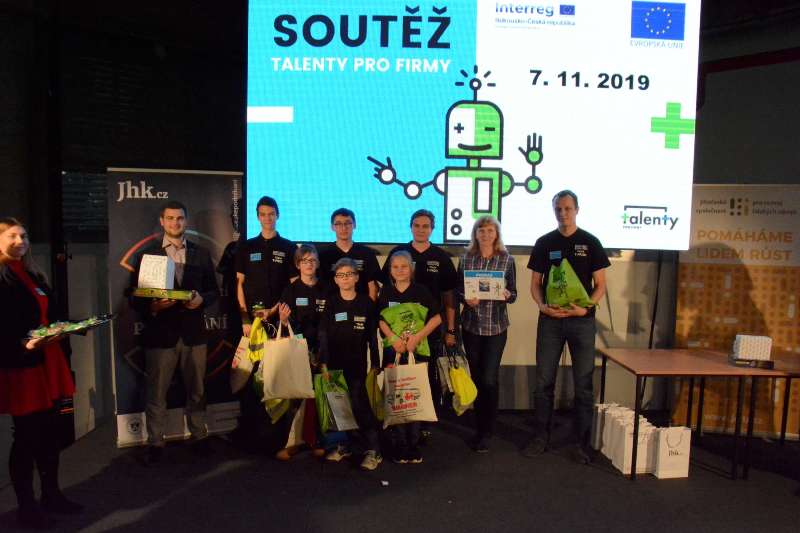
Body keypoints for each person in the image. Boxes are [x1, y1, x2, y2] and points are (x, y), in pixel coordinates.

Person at [0, 218, 83, 528]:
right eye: (12, 236)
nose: (20, 241)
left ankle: (52, 495)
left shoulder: (35, 274)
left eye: (23, 235)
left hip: (49, 360)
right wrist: (22, 342)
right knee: (26, 437)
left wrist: (68, 326)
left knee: (50, 434)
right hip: (22, 367)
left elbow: (50, 315)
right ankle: (27, 507)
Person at [522, 190, 609, 463]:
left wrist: (586, 308)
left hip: (582, 321)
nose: (563, 213)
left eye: (568, 208)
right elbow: (535, 284)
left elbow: (601, 285)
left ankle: (581, 443)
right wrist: (542, 306)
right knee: (543, 382)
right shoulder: (544, 242)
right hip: (551, 320)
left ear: (577, 210)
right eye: (558, 209)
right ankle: (540, 437)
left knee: (583, 385)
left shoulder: (591, 242)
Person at [129, 201, 219, 464]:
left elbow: (213, 291)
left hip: (194, 334)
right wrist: (153, 307)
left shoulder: (201, 253)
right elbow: (134, 298)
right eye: (170, 218)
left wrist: (201, 300)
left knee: (197, 390)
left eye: (179, 218)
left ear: (186, 221)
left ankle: (199, 435)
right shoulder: (147, 255)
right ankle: (156, 442)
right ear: (162, 221)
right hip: (161, 335)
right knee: (157, 392)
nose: (175, 223)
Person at [382, 209, 458, 428]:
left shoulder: (441, 257)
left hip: (427, 331)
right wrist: (392, 334)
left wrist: (451, 330)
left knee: (426, 376)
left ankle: (424, 424)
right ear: (411, 227)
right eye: (417, 225)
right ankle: (397, 421)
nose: (421, 230)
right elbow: (385, 291)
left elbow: (449, 297)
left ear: (432, 229)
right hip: (397, 334)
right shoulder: (398, 252)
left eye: (425, 226)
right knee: (396, 375)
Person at [456, 216, 517, 453]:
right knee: (477, 377)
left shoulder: (507, 259)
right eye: (481, 230)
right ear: (475, 234)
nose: (486, 235)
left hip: (496, 328)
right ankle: (480, 426)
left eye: (490, 230)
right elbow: (458, 290)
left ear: (496, 234)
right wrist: (465, 298)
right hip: (471, 327)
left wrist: (507, 295)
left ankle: (487, 430)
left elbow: (514, 294)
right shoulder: (466, 258)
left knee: (489, 379)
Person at [378, 250, 442, 464]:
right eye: (395, 267)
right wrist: (393, 338)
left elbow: (437, 318)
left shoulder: (421, 291)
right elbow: (380, 320)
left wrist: (417, 337)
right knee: (396, 396)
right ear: (390, 270)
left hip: (418, 351)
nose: (400, 270)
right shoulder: (386, 292)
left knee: (414, 395)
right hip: (393, 351)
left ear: (411, 269)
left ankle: (413, 444)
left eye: (404, 266)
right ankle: (400, 444)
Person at [318, 258, 382, 470]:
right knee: (340, 406)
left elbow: (373, 336)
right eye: (340, 275)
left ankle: (373, 450)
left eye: (349, 274)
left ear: (356, 277)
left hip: (358, 365)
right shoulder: (331, 303)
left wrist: (375, 363)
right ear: (336, 280)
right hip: (335, 365)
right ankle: (347, 445)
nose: (345, 278)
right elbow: (323, 334)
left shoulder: (366, 303)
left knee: (359, 405)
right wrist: (323, 362)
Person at [274, 244, 328, 460]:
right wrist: (283, 320)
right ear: (298, 264)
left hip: (323, 351)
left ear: (318, 263)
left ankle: (318, 441)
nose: (309, 264)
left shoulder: (326, 288)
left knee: (320, 397)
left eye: (312, 260)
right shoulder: (291, 290)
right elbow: (286, 323)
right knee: (295, 398)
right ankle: (291, 443)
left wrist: (322, 353)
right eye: (305, 261)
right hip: (299, 351)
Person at [318, 208, 380, 300]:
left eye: (348, 223)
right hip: (333, 305)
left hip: (361, 306)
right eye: (338, 224)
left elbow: (372, 286)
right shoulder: (324, 255)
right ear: (332, 227)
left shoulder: (367, 253)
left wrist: (369, 307)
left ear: (354, 225)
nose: (344, 228)